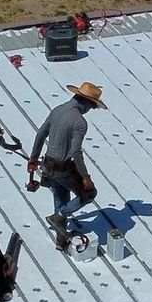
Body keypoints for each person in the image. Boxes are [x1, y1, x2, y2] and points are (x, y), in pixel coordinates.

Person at [28, 82, 104, 239]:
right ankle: (59, 216)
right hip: (63, 168)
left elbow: (41, 134)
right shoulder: (79, 122)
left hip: (47, 166)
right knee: (89, 194)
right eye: (92, 107)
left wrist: (33, 158)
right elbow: (76, 152)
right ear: (87, 104)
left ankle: (61, 240)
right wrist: (85, 177)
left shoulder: (57, 110)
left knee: (60, 197)